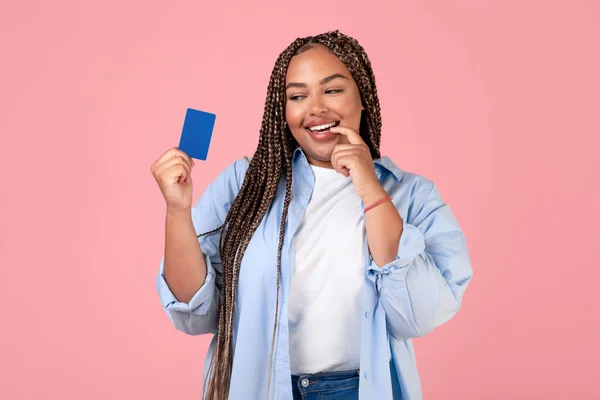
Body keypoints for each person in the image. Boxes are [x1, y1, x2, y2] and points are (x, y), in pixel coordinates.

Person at [151, 30, 473, 400]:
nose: (315, 108)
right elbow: (195, 312)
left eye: (332, 90)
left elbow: (419, 315)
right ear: (283, 109)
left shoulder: (412, 194)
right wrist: (177, 210)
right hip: (260, 390)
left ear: (363, 97)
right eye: (298, 96)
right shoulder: (245, 184)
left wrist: (370, 188)